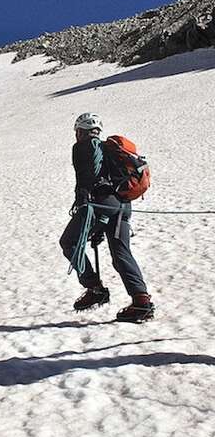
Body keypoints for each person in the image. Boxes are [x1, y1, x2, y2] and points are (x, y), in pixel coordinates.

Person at [60, 112, 155, 323]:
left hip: (99, 203)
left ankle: (94, 288)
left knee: (69, 242)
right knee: (121, 252)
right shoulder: (109, 148)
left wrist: (84, 199)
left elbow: (89, 175)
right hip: (123, 205)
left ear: (80, 131)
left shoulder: (84, 145)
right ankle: (141, 301)